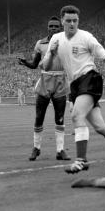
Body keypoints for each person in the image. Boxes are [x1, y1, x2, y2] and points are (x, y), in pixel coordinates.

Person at [41, 4, 105, 173]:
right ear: (62, 21)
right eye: (68, 20)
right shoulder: (56, 39)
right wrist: (51, 53)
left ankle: (81, 160)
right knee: (101, 128)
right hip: (75, 86)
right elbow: (46, 66)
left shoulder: (86, 37)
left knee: (76, 115)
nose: (72, 24)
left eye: (75, 20)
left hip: (90, 79)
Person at [18, 16, 71, 161]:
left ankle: (60, 150)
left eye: (56, 26)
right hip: (45, 80)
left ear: (60, 28)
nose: (53, 28)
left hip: (60, 81)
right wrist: (25, 63)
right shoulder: (40, 43)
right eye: (51, 26)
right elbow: (35, 64)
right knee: (39, 116)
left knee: (59, 118)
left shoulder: (67, 42)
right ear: (48, 28)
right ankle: (36, 148)